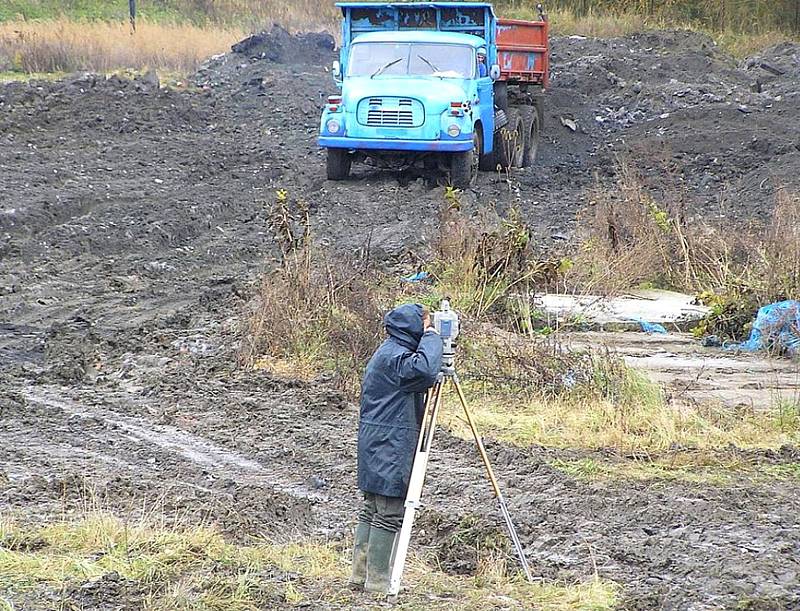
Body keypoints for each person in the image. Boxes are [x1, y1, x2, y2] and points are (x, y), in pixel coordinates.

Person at [350, 303, 443, 593]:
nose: (428, 328)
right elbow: (427, 371)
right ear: (413, 327)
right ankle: (377, 582)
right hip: (390, 442)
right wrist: (432, 337)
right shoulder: (398, 359)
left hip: (377, 439)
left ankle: (360, 576)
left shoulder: (387, 351)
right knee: (388, 511)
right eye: (425, 324)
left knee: (372, 508)